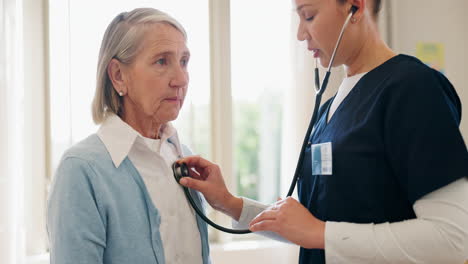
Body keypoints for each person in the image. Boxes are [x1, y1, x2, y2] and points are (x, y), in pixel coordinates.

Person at [177, 0, 468, 263]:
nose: (300, 34)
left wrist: (320, 233)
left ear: (355, 7)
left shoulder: (412, 89)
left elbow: (455, 240)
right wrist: (230, 203)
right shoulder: (330, 108)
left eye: (309, 16)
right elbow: (312, 227)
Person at [47, 8, 211, 264]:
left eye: (184, 61)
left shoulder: (184, 158)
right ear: (118, 76)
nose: (181, 79)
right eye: (161, 62)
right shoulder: (81, 170)